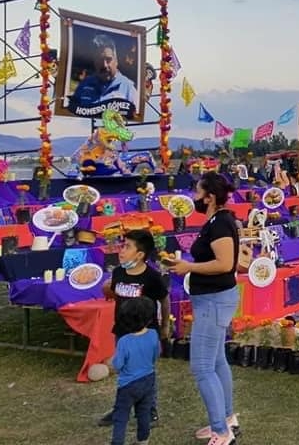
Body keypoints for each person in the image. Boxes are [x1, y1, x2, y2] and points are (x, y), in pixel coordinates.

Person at [165, 172, 240, 445]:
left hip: (214, 300)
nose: (194, 197)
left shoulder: (220, 223)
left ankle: (221, 431)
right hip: (213, 299)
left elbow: (223, 263)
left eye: (198, 192)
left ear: (209, 197)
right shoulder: (217, 220)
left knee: (202, 367)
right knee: (217, 360)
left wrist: (189, 267)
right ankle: (227, 418)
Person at [100, 230, 170, 427]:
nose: (121, 250)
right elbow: (115, 293)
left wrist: (165, 325)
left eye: (127, 247)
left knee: (145, 372)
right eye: (122, 246)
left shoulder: (151, 277)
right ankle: (120, 408)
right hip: (122, 332)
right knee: (125, 372)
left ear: (140, 255)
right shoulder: (119, 272)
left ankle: (149, 410)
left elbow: (164, 299)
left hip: (145, 334)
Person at [108, 297, 159, 445]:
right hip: (149, 379)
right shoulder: (153, 334)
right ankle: (143, 440)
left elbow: (118, 365)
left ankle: (117, 442)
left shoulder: (124, 341)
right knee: (143, 412)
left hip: (128, 385)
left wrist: (111, 363)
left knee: (121, 416)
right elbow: (156, 355)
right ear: (150, 318)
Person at [70, 34, 140, 116]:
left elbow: (136, 117)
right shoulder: (84, 85)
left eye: (108, 59)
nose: (104, 65)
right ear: (94, 62)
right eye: (99, 59)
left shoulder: (128, 88)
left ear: (116, 60)